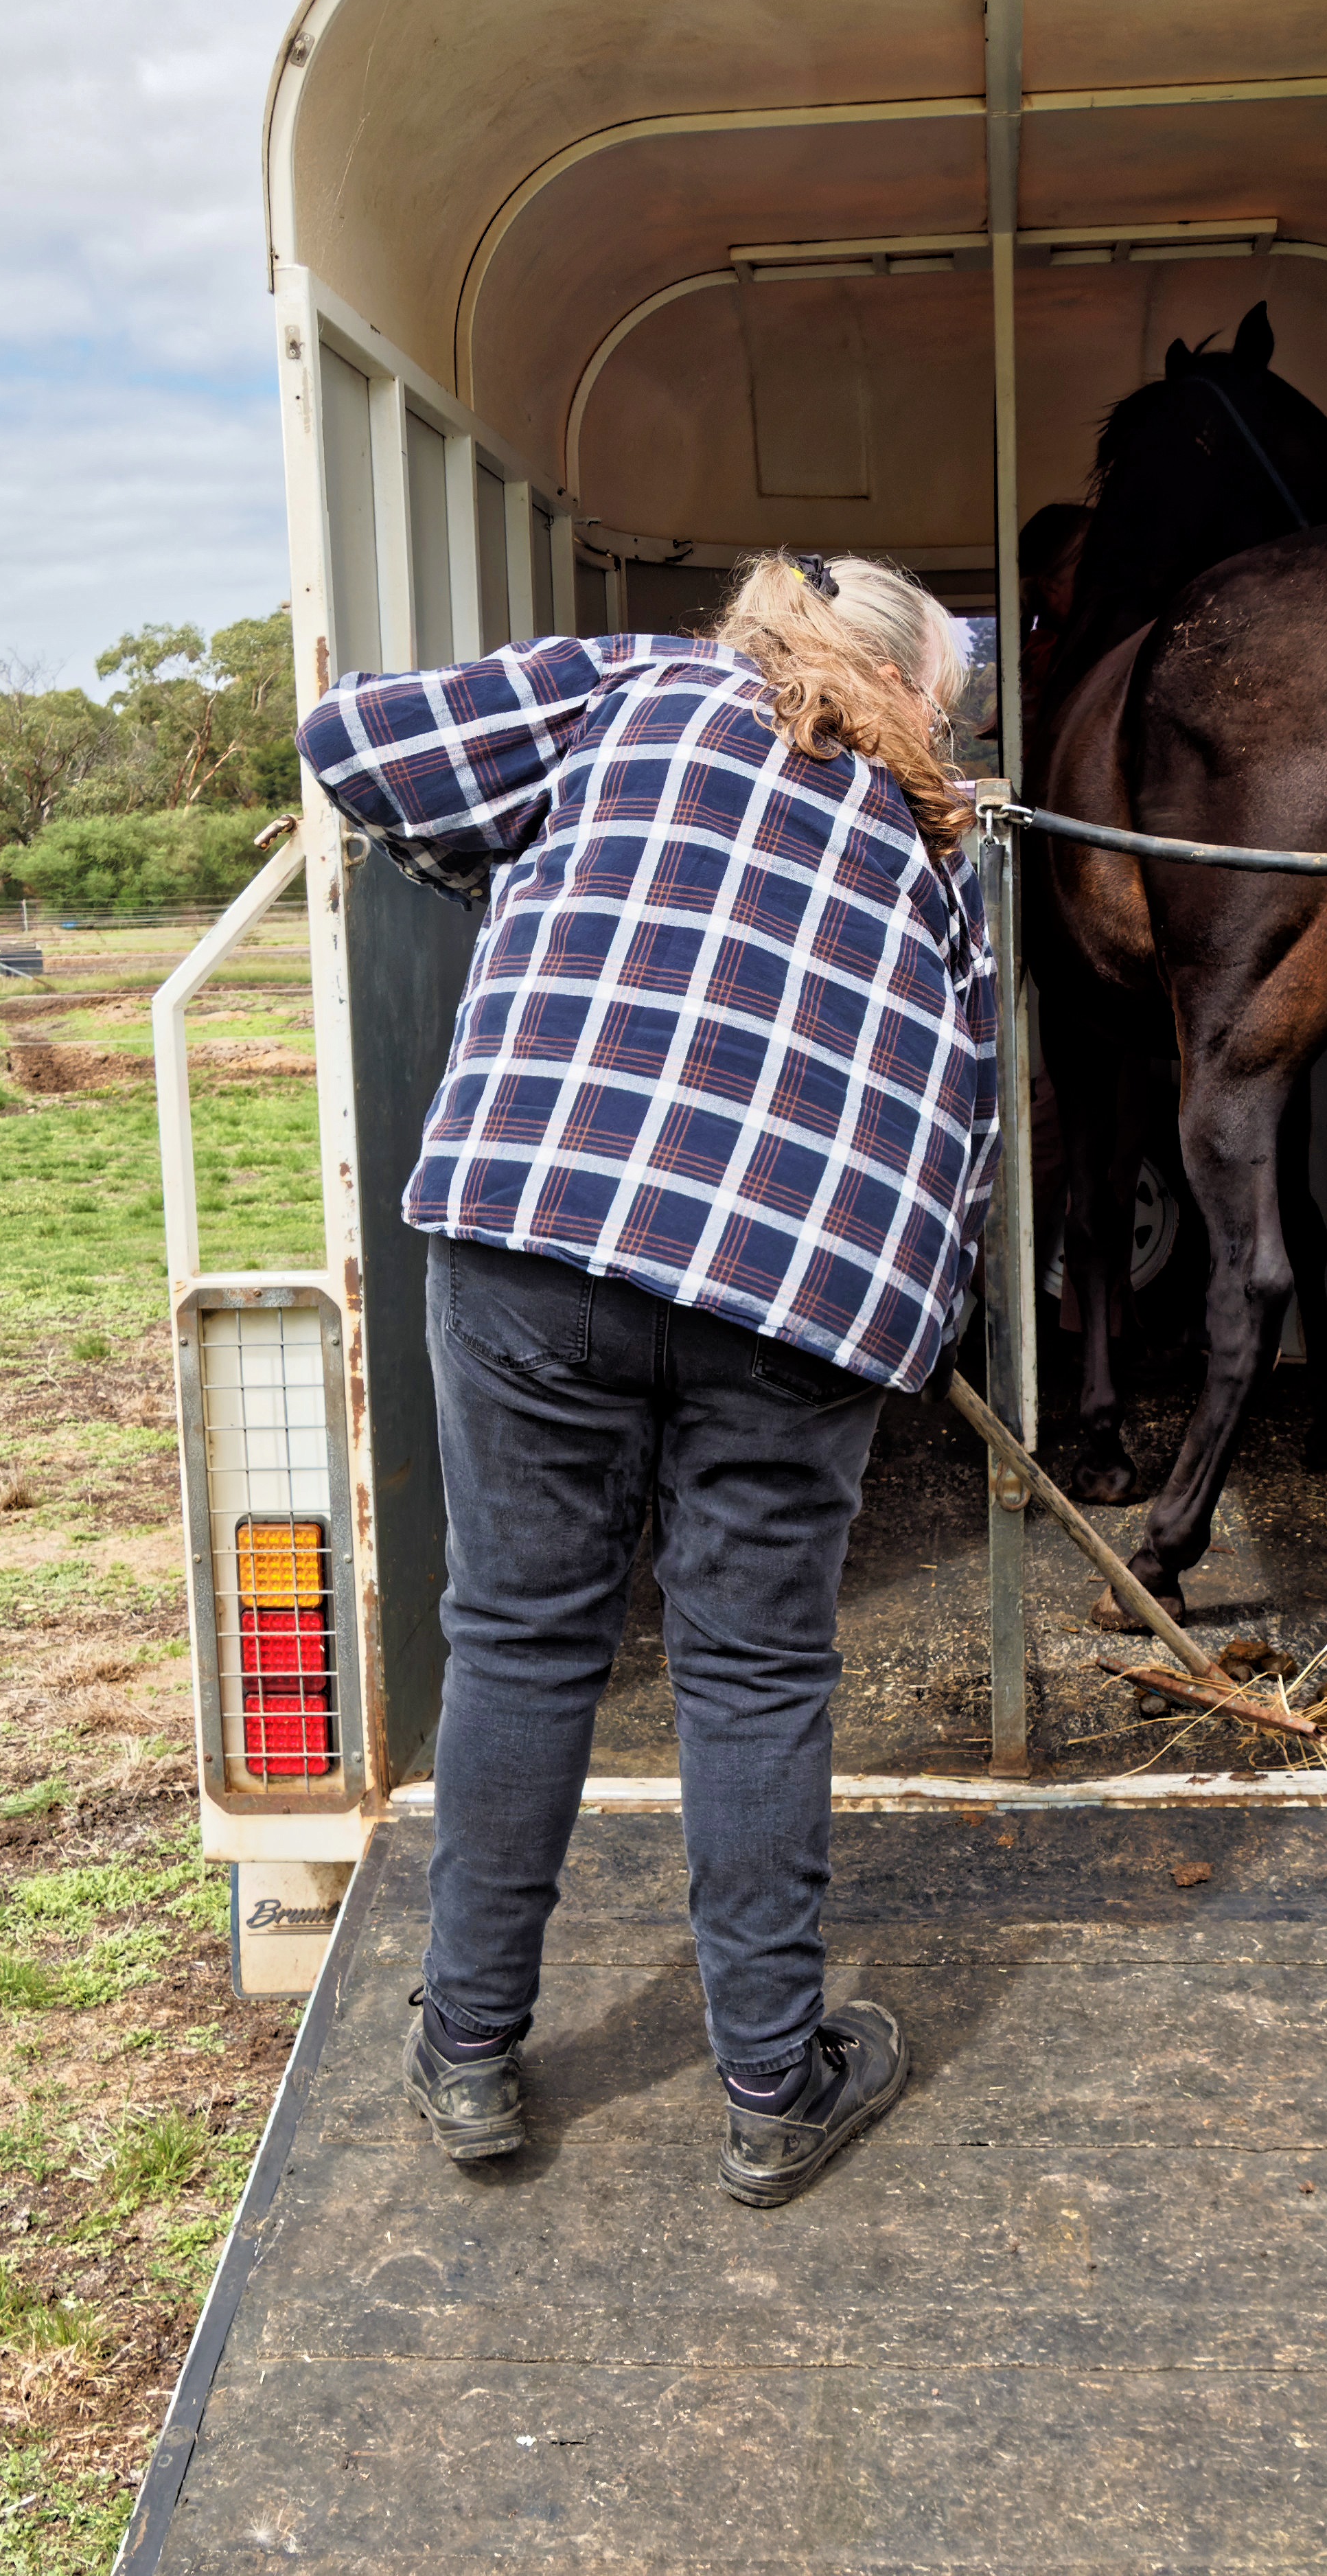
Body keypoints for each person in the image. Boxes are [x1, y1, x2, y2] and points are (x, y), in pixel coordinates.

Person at [296, 553, 998, 2209]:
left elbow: (355, 739)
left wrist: (508, 861)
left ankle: (469, 2052)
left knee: (522, 1640)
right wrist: (911, 1328)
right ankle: (772, 2087)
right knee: (754, 1672)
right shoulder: (928, 852)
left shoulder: (635, 691)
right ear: (912, 700)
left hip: (539, 1216)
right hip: (798, 1281)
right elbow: (963, 1112)